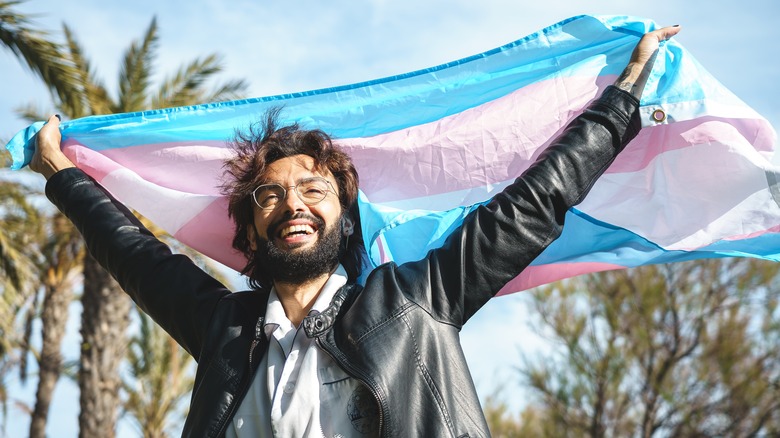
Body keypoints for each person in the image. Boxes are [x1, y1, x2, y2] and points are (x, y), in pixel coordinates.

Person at [32, 25, 680, 438]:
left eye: (315, 190)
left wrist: (620, 102)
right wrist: (59, 170)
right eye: (271, 195)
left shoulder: (415, 301)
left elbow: (532, 205)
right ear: (251, 233)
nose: (294, 205)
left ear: (345, 218)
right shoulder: (225, 331)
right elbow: (135, 253)